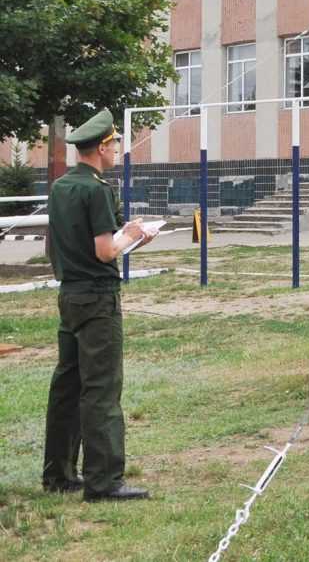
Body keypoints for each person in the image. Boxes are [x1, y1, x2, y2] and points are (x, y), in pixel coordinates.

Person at [43, 108, 156, 502]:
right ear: (103, 147)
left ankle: (57, 473)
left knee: (67, 385)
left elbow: (53, 244)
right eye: (114, 145)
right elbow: (106, 250)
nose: (116, 151)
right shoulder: (97, 189)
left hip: (69, 294)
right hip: (97, 299)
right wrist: (134, 238)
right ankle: (104, 481)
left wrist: (127, 237)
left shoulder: (61, 187)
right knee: (101, 389)